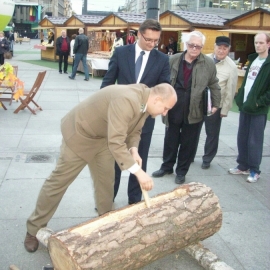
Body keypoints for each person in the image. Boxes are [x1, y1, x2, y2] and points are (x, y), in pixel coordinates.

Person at [23, 83, 177, 253]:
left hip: (104, 139)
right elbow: (117, 142)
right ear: (157, 99)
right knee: (58, 183)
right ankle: (34, 229)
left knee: (106, 185)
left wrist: (133, 149)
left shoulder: (144, 101)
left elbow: (134, 130)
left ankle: (107, 228)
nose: (165, 113)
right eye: (165, 108)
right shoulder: (127, 99)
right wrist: (138, 172)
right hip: (80, 134)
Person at [101, 19, 170, 205]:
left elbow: (164, 88)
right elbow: (108, 82)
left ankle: (134, 201)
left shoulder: (162, 60)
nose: (152, 44)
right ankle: (108, 199)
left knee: (139, 160)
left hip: (144, 121)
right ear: (139, 35)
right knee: (114, 159)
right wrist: (104, 108)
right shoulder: (121, 52)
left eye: (156, 41)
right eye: (148, 39)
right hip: (118, 117)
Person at [152, 31, 221, 184]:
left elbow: (214, 84)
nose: (194, 49)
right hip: (174, 107)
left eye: (198, 46)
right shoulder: (173, 59)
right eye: (191, 45)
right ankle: (167, 166)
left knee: (188, 142)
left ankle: (181, 171)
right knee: (170, 139)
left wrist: (216, 104)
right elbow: (163, 80)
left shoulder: (208, 63)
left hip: (195, 108)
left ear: (202, 47)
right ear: (186, 44)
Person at [229, 32, 270, 183]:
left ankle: (254, 170)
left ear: (268, 44)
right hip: (246, 106)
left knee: (255, 140)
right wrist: (240, 98)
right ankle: (243, 165)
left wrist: (259, 102)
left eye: (261, 43)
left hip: (258, 109)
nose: (258, 45)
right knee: (243, 137)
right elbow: (247, 82)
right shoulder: (252, 60)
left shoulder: (268, 63)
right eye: (256, 43)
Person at [198, 36, 238, 169]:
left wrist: (225, 109)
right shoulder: (203, 58)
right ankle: (189, 155)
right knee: (192, 131)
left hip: (215, 105)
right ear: (214, 47)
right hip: (197, 102)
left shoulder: (231, 67)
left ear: (228, 50)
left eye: (224, 48)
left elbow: (230, 90)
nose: (221, 51)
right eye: (219, 47)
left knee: (212, 134)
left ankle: (207, 159)